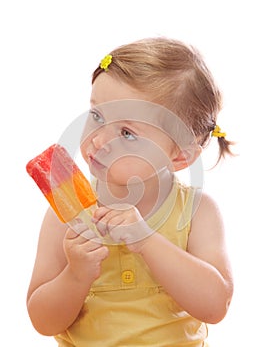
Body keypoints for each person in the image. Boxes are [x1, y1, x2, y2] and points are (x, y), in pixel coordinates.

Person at [26, 37, 234, 346]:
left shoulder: (196, 211)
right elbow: (43, 321)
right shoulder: (64, 217)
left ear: (179, 156)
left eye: (127, 133)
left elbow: (215, 306)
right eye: (96, 116)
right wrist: (76, 274)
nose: (97, 139)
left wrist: (147, 240)